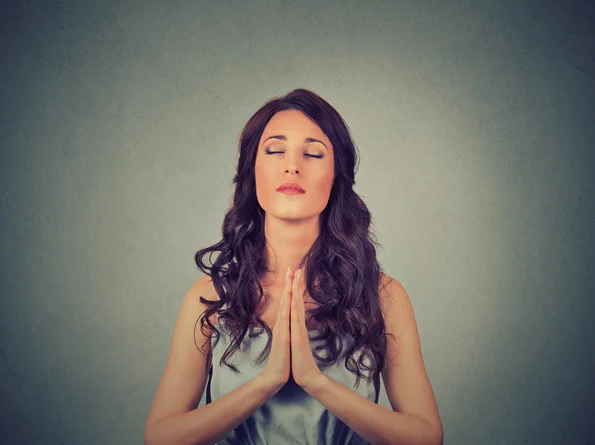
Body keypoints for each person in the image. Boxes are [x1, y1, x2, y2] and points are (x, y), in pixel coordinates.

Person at [143, 88, 443, 445]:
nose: (292, 165)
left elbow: (426, 438)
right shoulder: (208, 298)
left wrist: (315, 381)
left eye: (313, 153)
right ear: (252, 171)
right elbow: (160, 437)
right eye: (274, 150)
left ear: (336, 177)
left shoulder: (383, 297)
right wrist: (267, 381)